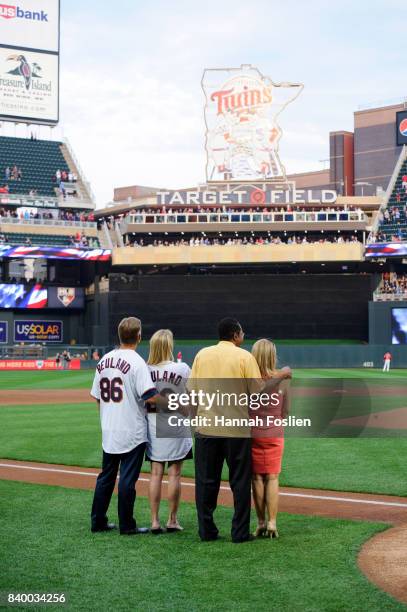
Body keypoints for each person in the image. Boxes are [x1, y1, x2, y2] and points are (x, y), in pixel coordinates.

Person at [189, 317, 291, 543]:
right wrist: (282, 375)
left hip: (207, 428)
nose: (243, 336)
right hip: (236, 430)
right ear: (236, 335)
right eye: (242, 332)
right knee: (240, 482)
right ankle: (239, 532)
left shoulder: (201, 355)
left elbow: (192, 392)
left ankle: (207, 531)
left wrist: (194, 420)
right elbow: (257, 392)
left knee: (206, 481)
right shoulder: (245, 357)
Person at [90, 316, 162, 535]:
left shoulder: (104, 360)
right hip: (132, 430)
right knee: (127, 480)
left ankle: (98, 521)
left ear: (120, 335)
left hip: (110, 429)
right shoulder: (137, 362)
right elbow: (150, 397)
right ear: (139, 336)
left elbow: (97, 397)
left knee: (106, 477)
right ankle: (127, 525)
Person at [146, 329, 193, 533]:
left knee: (156, 473)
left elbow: (144, 399)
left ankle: (154, 521)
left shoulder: (145, 369)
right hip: (177, 424)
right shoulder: (182, 368)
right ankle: (172, 520)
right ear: (169, 346)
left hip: (154, 424)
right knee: (175, 474)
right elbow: (192, 396)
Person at [250, 339, 290, 539]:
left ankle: (260, 523)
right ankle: (273, 522)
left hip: (252, 433)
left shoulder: (248, 379)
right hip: (274, 432)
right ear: (272, 356)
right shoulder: (281, 380)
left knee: (256, 478)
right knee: (272, 477)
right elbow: (285, 412)